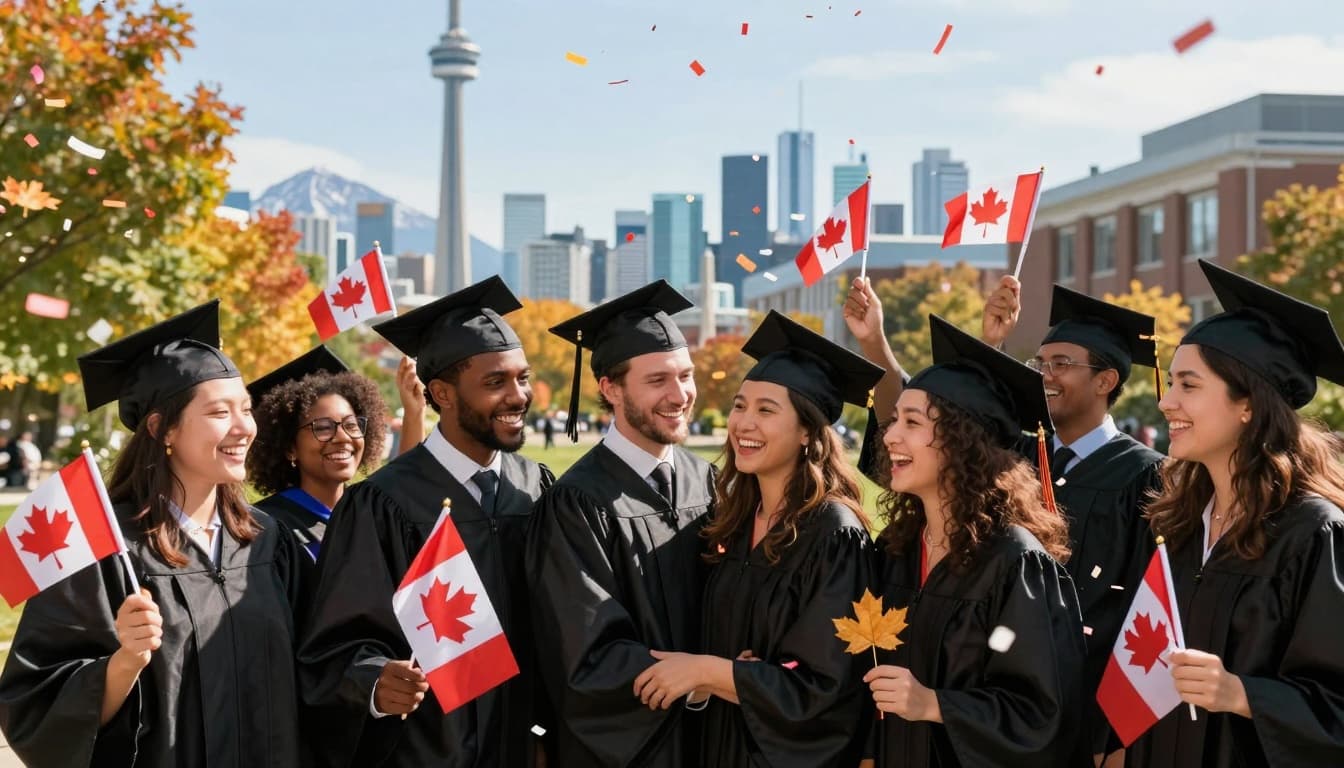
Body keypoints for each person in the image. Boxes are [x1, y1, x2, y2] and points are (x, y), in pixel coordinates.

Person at [0, 300, 306, 767]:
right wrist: (125, 661)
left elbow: (313, 675)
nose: (244, 427)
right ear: (163, 428)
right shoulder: (106, 549)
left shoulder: (267, 540)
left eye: (245, 409)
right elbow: (36, 705)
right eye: (219, 412)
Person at [298, 276, 555, 767]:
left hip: (524, 745)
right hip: (427, 750)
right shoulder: (382, 503)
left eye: (522, 378)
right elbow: (335, 643)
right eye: (495, 382)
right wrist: (374, 679)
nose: (519, 396)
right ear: (442, 393)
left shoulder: (536, 486)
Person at [634, 311, 883, 767]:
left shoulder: (833, 533)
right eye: (739, 405)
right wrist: (733, 676)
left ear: (807, 431)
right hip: (720, 745)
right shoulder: (732, 520)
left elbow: (828, 686)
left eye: (766, 410)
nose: (743, 423)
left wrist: (710, 671)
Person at [1127, 260, 1344, 767]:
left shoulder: (1313, 533)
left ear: (1247, 402)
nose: (1165, 402)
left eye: (1188, 385)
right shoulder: (1182, 524)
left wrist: (1240, 694)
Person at [865, 315, 1089, 768]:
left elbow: (1043, 715)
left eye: (910, 422)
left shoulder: (1015, 564)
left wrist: (933, 705)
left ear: (961, 440)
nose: (889, 436)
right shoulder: (898, 548)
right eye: (893, 421)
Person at [526, 280, 716, 767]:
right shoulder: (576, 503)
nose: (680, 395)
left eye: (686, 375)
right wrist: (703, 682)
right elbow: (585, 655)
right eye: (657, 381)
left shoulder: (710, 482)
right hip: (629, 753)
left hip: (719, 743)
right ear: (610, 388)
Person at [983, 280, 1165, 763]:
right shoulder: (1018, 456)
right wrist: (991, 345)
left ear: (1105, 381)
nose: (1044, 374)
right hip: (1002, 688)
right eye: (1039, 363)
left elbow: (1151, 609)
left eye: (1060, 364)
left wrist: (1122, 734)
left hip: (1092, 704)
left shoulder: (1147, 473)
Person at [245, 345, 388, 565]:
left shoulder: (372, 514)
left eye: (351, 425)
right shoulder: (266, 528)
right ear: (290, 448)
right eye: (322, 427)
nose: (342, 437)